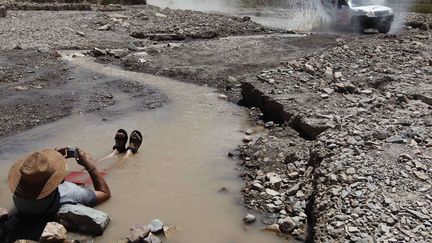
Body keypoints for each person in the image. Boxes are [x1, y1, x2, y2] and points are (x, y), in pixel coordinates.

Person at [0, 129, 142, 242]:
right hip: (70, 189)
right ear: (58, 181)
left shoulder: (18, 195)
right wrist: (90, 167)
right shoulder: (69, 195)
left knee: (80, 173)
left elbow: (37, 174)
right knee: (104, 170)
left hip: (45, 193)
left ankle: (115, 151)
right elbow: (105, 193)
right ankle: (127, 153)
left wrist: (52, 158)